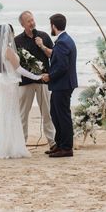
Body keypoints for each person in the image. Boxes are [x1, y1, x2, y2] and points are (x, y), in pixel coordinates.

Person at [0, 24, 45, 159]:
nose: (13, 35)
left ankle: (5, 147)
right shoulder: (8, 50)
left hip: (5, 85)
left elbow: (1, 69)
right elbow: (19, 69)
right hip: (11, 85)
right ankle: (13, 148)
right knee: (12, 114)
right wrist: (37, 76)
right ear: (8, 34)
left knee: (6, 114)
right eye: (12, 33)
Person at [14, 11, 56, 149]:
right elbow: (15, 63)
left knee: (47, 113)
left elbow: (54, 56)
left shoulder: (43, 36)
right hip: (25, 82)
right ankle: (21, 143)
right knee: (22, 114)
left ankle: (52, 143)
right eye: (28, 21)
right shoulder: (17, 40)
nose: (32, 23)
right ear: (22, 24)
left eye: (32, 20)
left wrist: (42, 46)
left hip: (43, 80)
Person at [39, 14, 78, 158]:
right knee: (56, 114)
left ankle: (67, 148)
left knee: (62, 116)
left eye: (51, 25)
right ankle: (60, 144)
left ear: (53, 26)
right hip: (62, 84)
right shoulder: (65, 40)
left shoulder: (62, 42)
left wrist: (49, 76)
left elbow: (62, 66)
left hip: (62, 84)